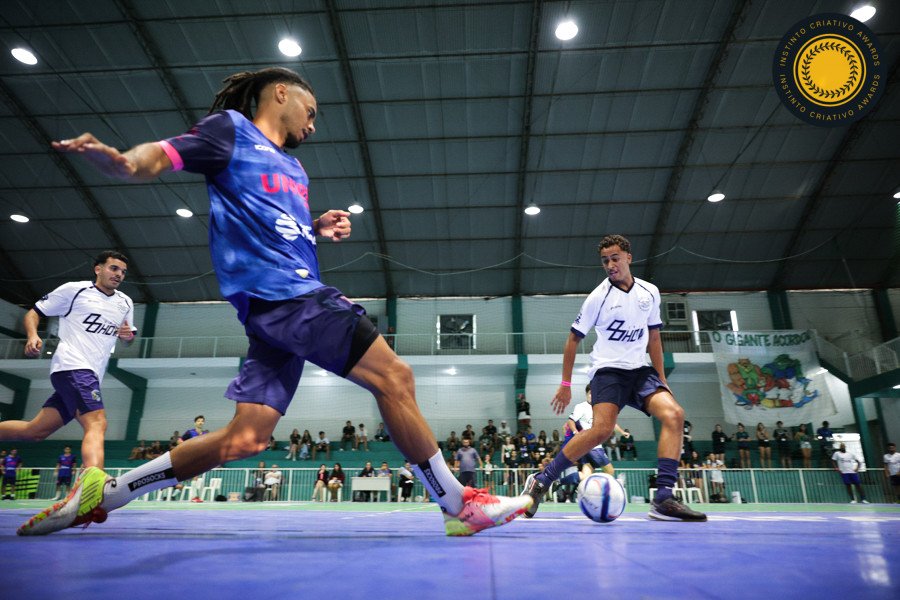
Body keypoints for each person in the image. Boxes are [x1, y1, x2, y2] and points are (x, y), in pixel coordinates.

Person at [21, 67, 528, 537]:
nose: (313, 123)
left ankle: (107, 494)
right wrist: (123, 163)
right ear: (281, 92)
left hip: (279, 309)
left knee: (246, 437)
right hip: (284, 298)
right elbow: (160, 155)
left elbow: (267, 227)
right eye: (311, 110)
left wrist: (313, 226)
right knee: (395, 377)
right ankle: (458, 504)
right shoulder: (230, 130)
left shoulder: (294, 168)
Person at [522, 235, 706, 522]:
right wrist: (566, 384)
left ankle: (664, 498)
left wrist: (660, 376)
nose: (610, 264)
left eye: (615, 258)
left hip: (640, 371)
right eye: (605, 260)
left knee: (675, 415)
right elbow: (573, 339)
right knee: (601, 431)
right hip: (608, 371)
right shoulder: (599, 297)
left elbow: (654, 336)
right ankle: (543, 479)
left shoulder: (650, 292)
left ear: (629, 257)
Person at [0, 252, 135, 471]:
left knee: (35, 432)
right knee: (97, 422)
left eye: (123, 272)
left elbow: (129, 338)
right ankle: (94, 483)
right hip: (73, 366)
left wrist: (128, 337)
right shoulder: (74, 290)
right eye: (113, 268)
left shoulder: (125, 303)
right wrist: (33, 335)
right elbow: (33, 313)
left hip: (92, 374)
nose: (119, 274)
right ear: (98, 269)